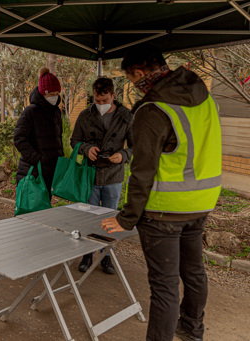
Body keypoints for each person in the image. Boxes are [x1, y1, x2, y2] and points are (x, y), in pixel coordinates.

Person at [101, 45, 222, 341]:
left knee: (164, 287)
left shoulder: (152, 109)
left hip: (164, 210)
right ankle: (192, 331)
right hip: (201, 202)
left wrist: (127, 218)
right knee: (194, 273)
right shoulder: (204, 98)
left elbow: (143, 170)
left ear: (140, 73)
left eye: (131, 78)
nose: (133, 84)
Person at [70, 77, 133, 275]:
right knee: (87, 216)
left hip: (114, 176)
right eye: (97, 101)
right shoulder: (85, 115)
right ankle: (86, 255)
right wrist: (86, 148)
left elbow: (135, 145)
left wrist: (123, 155)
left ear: (113, 96)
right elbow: (75, 141)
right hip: (90, 174)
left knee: (110, 218)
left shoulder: (126, 116)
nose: (100, 105)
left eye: (104, 101)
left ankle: (106, 256)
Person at [14, 67, 64, 197]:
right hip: (32, 171)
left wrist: (60, 158)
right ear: (43, 93)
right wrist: (37, 159)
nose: (54, 97)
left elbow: (59, 137)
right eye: (51, 94)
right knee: (31, 209)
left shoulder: (56, 112)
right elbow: (19, 138)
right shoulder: (31, 111)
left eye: (56, 93)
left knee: (45, 209)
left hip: (51, 170)